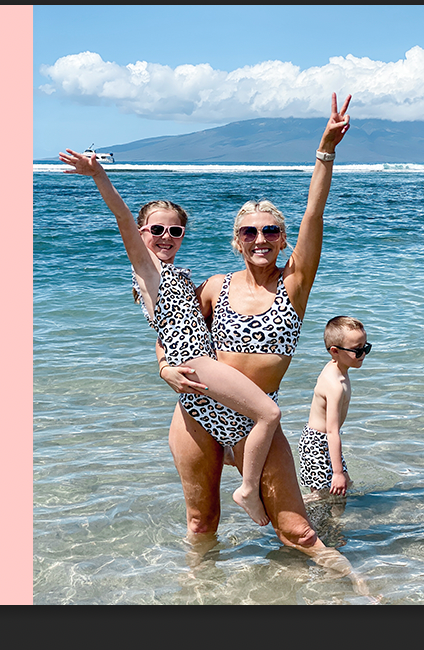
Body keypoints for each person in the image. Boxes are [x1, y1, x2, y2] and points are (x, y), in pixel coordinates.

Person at [153, 93, 355, 560]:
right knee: (202, 522)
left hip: (255, 421)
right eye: (249, 232)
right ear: (237, 242)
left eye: (270, 231)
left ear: (283, 240)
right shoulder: (214, 286)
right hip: (198, 411)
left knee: (299, 532)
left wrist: (325, 152)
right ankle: (199, 592)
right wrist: (164, 368)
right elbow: (173, 330)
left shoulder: (294, 284)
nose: (260, 238)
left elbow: (313, 214)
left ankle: (359, 589)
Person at [57, 149, 285, 529]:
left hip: (200, 367)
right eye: (156, 230)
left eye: (175, 230)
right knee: (269, 413)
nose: (166, 236)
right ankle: (246, 490)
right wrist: (99, 177)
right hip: (198, 365)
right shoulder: (149, 271)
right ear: (143, 234)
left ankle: (244, 480)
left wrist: (162, 365)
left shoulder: (175, 274)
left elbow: (178, 326)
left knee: (240, 432)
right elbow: (123, 220)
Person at [298, 316, 370, 501]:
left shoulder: (337, 367)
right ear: (335, 351)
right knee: (324, 495)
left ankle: (336, 526)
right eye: (357, 350)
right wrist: (337, 472)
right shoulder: (335, 385)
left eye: (365, 347)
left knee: (344, 487)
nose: (363, 354)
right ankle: (290, 504)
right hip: (317, 443)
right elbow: (331, 431)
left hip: (321, 441)